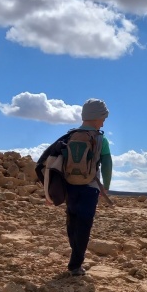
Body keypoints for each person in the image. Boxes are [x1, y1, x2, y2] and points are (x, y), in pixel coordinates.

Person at [35, 98, 113, 277]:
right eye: (103, 118)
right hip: (90, 188)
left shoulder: (69, 136)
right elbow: (107, 164)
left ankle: (74, 251)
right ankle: (76, 264)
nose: (103, 122)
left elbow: (52, 161)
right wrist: (105, 186)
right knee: (85, 225)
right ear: (98, 118)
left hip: (70, 186)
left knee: (72, 220)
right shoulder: (101, 139)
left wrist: (49, 190)